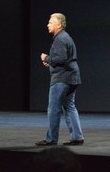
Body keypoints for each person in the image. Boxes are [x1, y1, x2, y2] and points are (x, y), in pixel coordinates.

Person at [35, 13, 84, 146]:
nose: (48, 25)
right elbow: (63, 58)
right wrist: (51, 62)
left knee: (54, 108)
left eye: (51, 22)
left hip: (62, 78)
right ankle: (77, 137)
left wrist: (46, 58)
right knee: (69, 107)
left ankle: (51, 139)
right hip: (72, 77)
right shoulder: (65, 37)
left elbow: (61, 58)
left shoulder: (60, 39)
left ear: (59, 25)